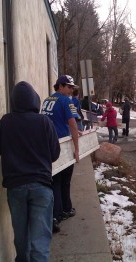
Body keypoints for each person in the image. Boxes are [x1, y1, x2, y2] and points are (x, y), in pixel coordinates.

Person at [0, 81, 61, 262]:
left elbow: (2, 150)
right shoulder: (44, 122)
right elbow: (55, 154)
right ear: (35, 100)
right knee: (39, 241)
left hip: (15, 186)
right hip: (41, 186)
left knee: (21, 237)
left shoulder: (5, 121)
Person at [41, 75, 80, 233]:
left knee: (54, 180)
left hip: (47, 145)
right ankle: (64, 210)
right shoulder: (66, 101)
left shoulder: (47, 100)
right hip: (62, 146)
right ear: (61, 86)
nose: (71, 90)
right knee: (64, 180)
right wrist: (77, 149)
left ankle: (55, 214)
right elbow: (72, 124)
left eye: (72, 88)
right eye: (69, 87)